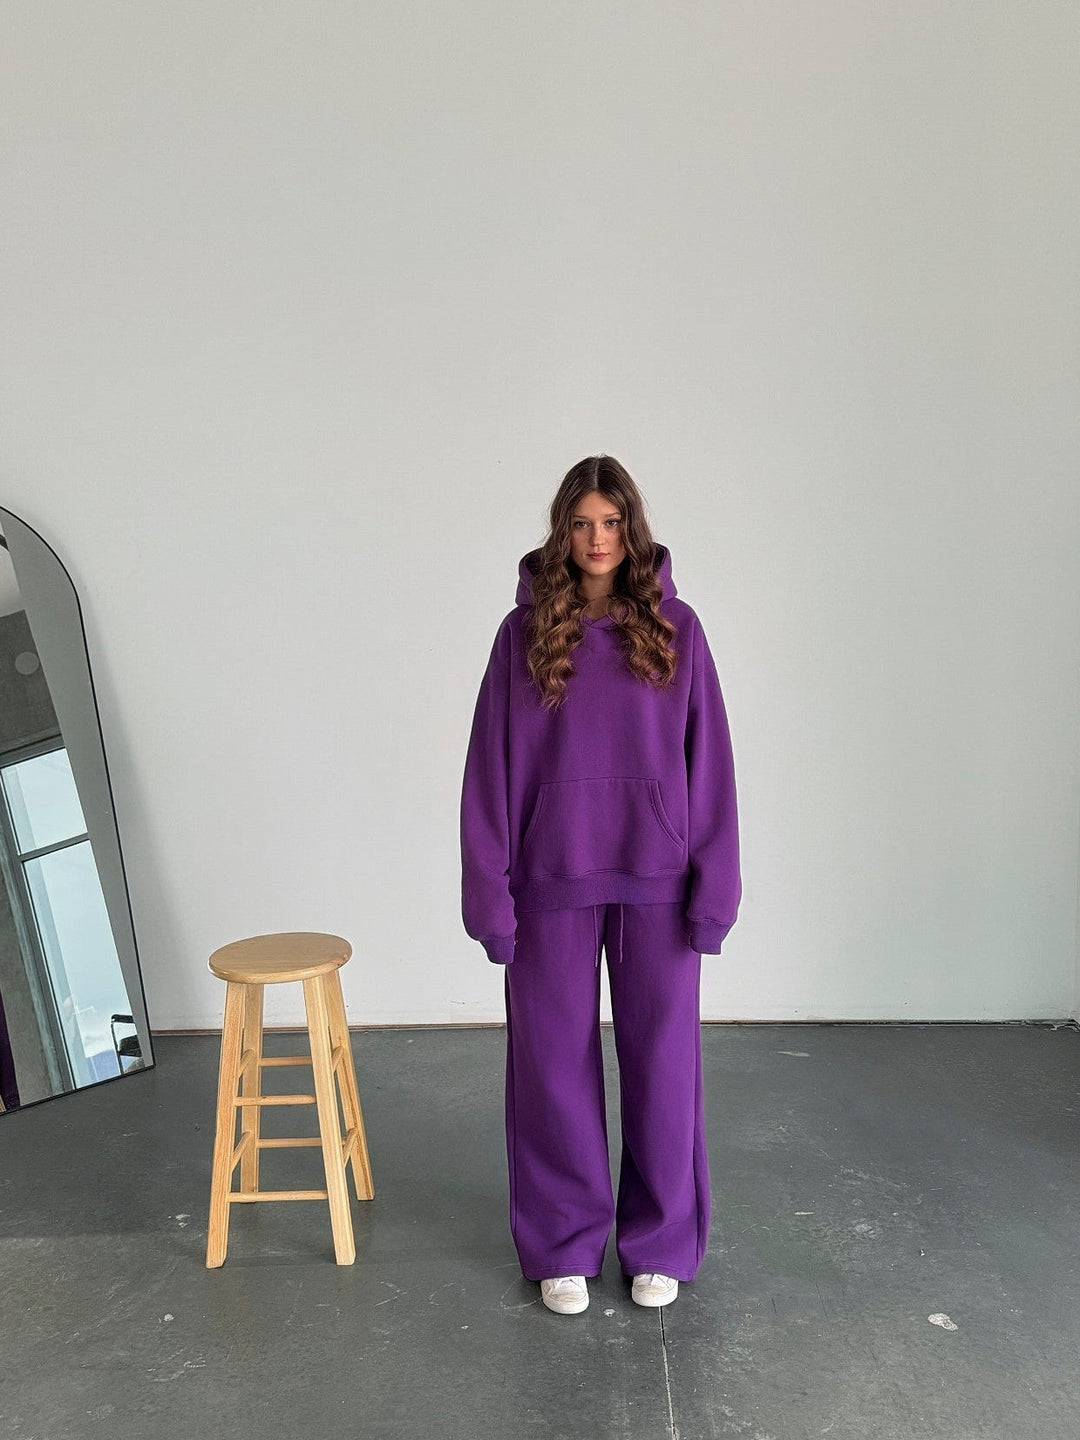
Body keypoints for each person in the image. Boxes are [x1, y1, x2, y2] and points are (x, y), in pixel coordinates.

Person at [459, 455, 741, 1315]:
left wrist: (714, 893)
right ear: (562, 530)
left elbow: (712, 766)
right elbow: (488, 772)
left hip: (659, 881)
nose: (596, 540)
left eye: (611, 524)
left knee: (664, 1066)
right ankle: (562, 1245)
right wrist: (488, 898)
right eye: (581, 524)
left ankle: (658, 1242)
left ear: (632, 530)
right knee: (550, 1069)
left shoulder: (678, 630)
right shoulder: (521, 638)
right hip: (549, 881)